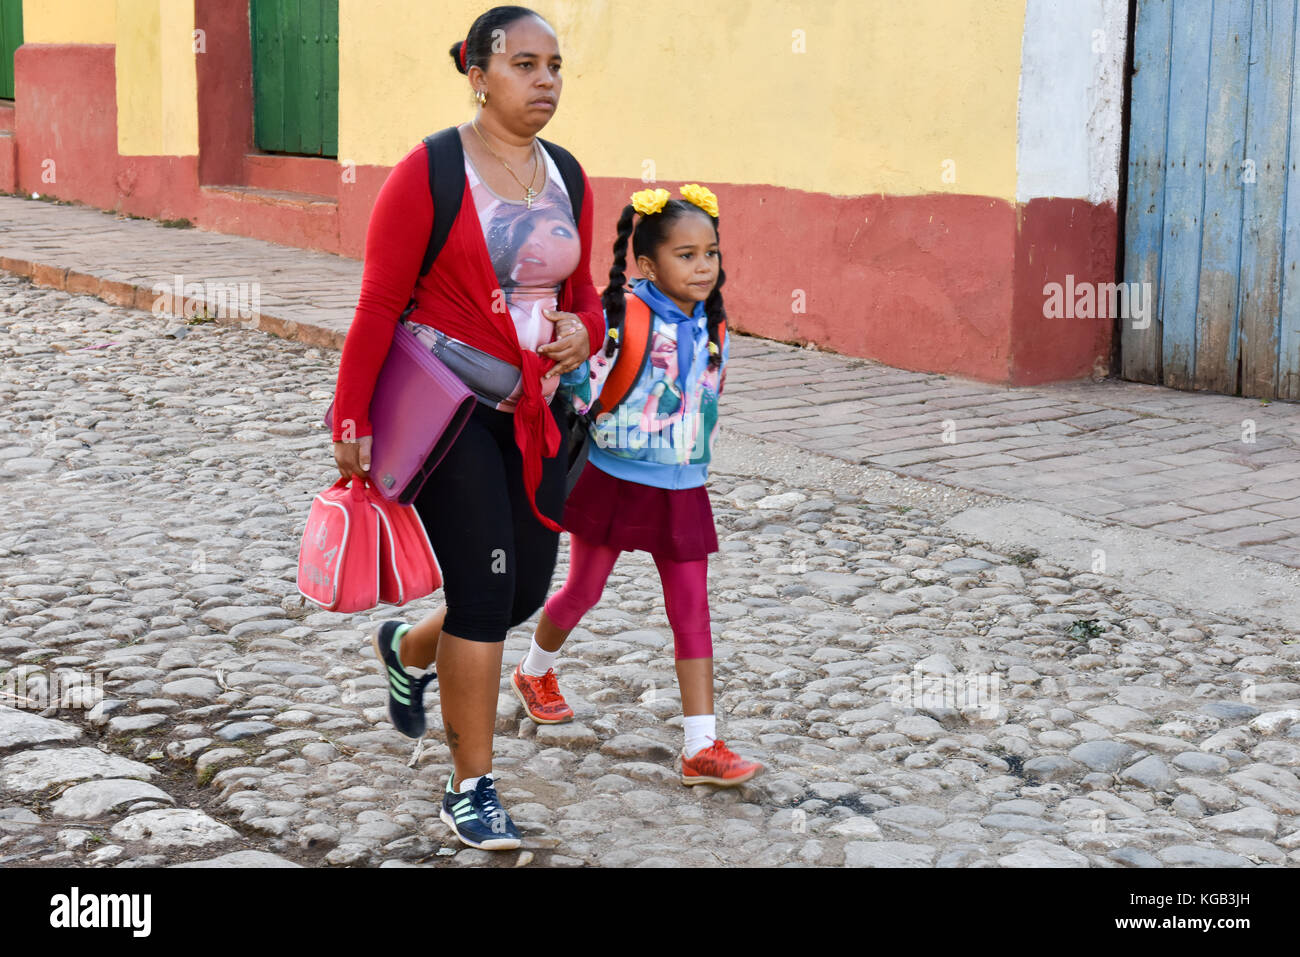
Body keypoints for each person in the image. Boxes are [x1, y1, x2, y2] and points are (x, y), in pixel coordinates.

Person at [329, 5, 603, 850]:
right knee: (485, 593)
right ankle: (470, 787)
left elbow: (583, 291)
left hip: (538, 414)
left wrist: (584, 331)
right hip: (451, 413)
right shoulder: (431, 171)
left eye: (554, 66)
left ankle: (409, 646)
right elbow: (379, 300)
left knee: (520, 592)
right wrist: (350, 413)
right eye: (525, 64)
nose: (545, 81)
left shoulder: (568, 176)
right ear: (477, 73)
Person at [511, 184, 763, 787]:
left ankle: (701, 745)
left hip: (682, 487)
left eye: (711, 253)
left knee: (692, 609)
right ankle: (533, 669)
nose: (703, 267)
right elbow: (580, 390)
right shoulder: (622, 319)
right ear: (648, 264)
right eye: (685, 255)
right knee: (582, 592)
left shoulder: (715, 322)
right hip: (615, 478)